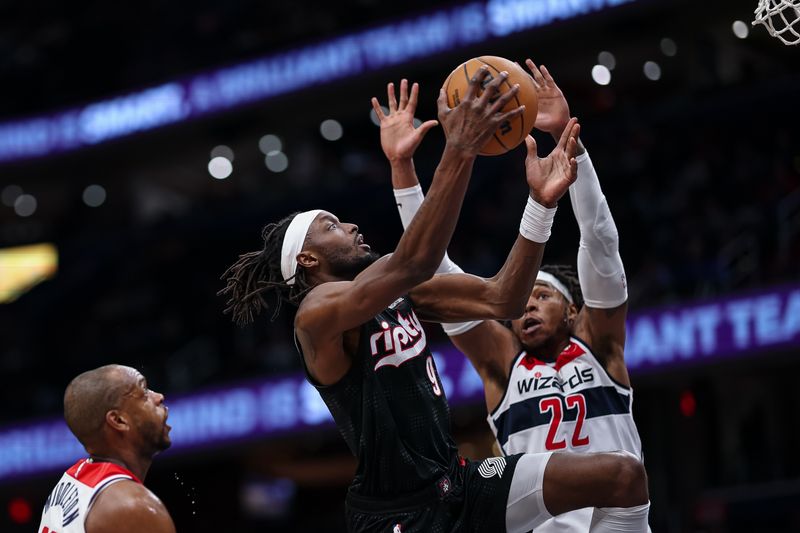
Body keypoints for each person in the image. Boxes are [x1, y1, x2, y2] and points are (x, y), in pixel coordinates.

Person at [219, 69, 648, 533]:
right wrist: (458, 148)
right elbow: (414, 260)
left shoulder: (398, 294)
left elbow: (503, 298)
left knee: (621, 475)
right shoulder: (317, 315)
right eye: (333, 226)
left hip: (458, 479)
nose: (351, 227)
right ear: (307, 259)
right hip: (396, 511)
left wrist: (541, 205)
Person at [386, 62, 650, 531]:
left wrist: (569, 145)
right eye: (522, 298)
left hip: (616, 516)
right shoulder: (501, 365)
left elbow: (600, 240)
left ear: (573, 310)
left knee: (624, 478)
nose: (526, 303)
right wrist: (403, 170)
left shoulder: (601, 347)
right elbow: (435, 270)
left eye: (542, 295)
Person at [38, 365, 175, 533]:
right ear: (118, 420)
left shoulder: (72, 481)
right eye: (144, 392)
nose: (159, 397)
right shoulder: (133, 507)